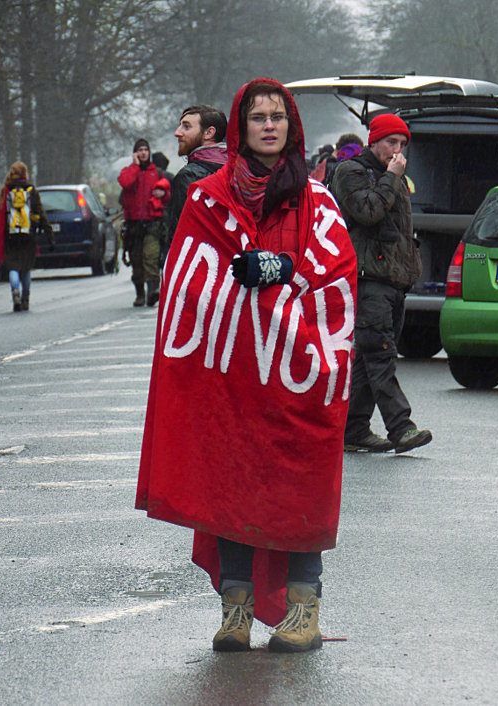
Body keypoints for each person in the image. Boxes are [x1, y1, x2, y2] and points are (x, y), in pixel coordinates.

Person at [135, 78, 357, 653]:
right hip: (231, 376)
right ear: (239, 126)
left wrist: (284, 272)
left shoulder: (318, 200)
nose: (267, 125)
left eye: (277, 116)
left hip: (297, 376)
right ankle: (235, 610)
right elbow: (188, 284)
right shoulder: (208, 198)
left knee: (297, 485)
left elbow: (337, 275)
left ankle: (303, 607)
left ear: (291, 125)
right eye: (257, 116)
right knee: (227, 483)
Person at [332, 113, 432, 454]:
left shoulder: (396, 178)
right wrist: (391, 178)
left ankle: (354, 429)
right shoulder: (350, 171)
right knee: (381, 355)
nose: (397, 150)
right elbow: (367, 212)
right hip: (367, 279)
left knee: (367, 359)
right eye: (391, 142)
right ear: (373, 141)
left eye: (403, 145)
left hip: (393, 281)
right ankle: (401, 427)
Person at [163, 105, 228, 260]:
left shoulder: (188, 176)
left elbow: (181, 237)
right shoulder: (239, 171)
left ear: (209, 133)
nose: (177, 133)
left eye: (186, 126)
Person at [0, 161, 53, 312]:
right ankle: (25, 299)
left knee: (13, 268)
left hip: (10, 237)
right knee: (25, 269)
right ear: (25, 174)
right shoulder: (31, 191)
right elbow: (40, 212)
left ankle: (15, 293)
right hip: (28, 237)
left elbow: (0, 215)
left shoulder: (6, 191)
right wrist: (49, 232)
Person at [117, 138, 170, 307]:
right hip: (134, 225)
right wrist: (134, 166)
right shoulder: (128, 172)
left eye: (145, 149)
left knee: (151, 257)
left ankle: (153, 292)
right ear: (135, 153)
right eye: (139, 150)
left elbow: (168, 196)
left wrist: (164, 195)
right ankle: (140, 293)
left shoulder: (158, 173)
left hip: (153, 223)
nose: (143, 153)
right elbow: (126, 183)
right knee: (137, 260)